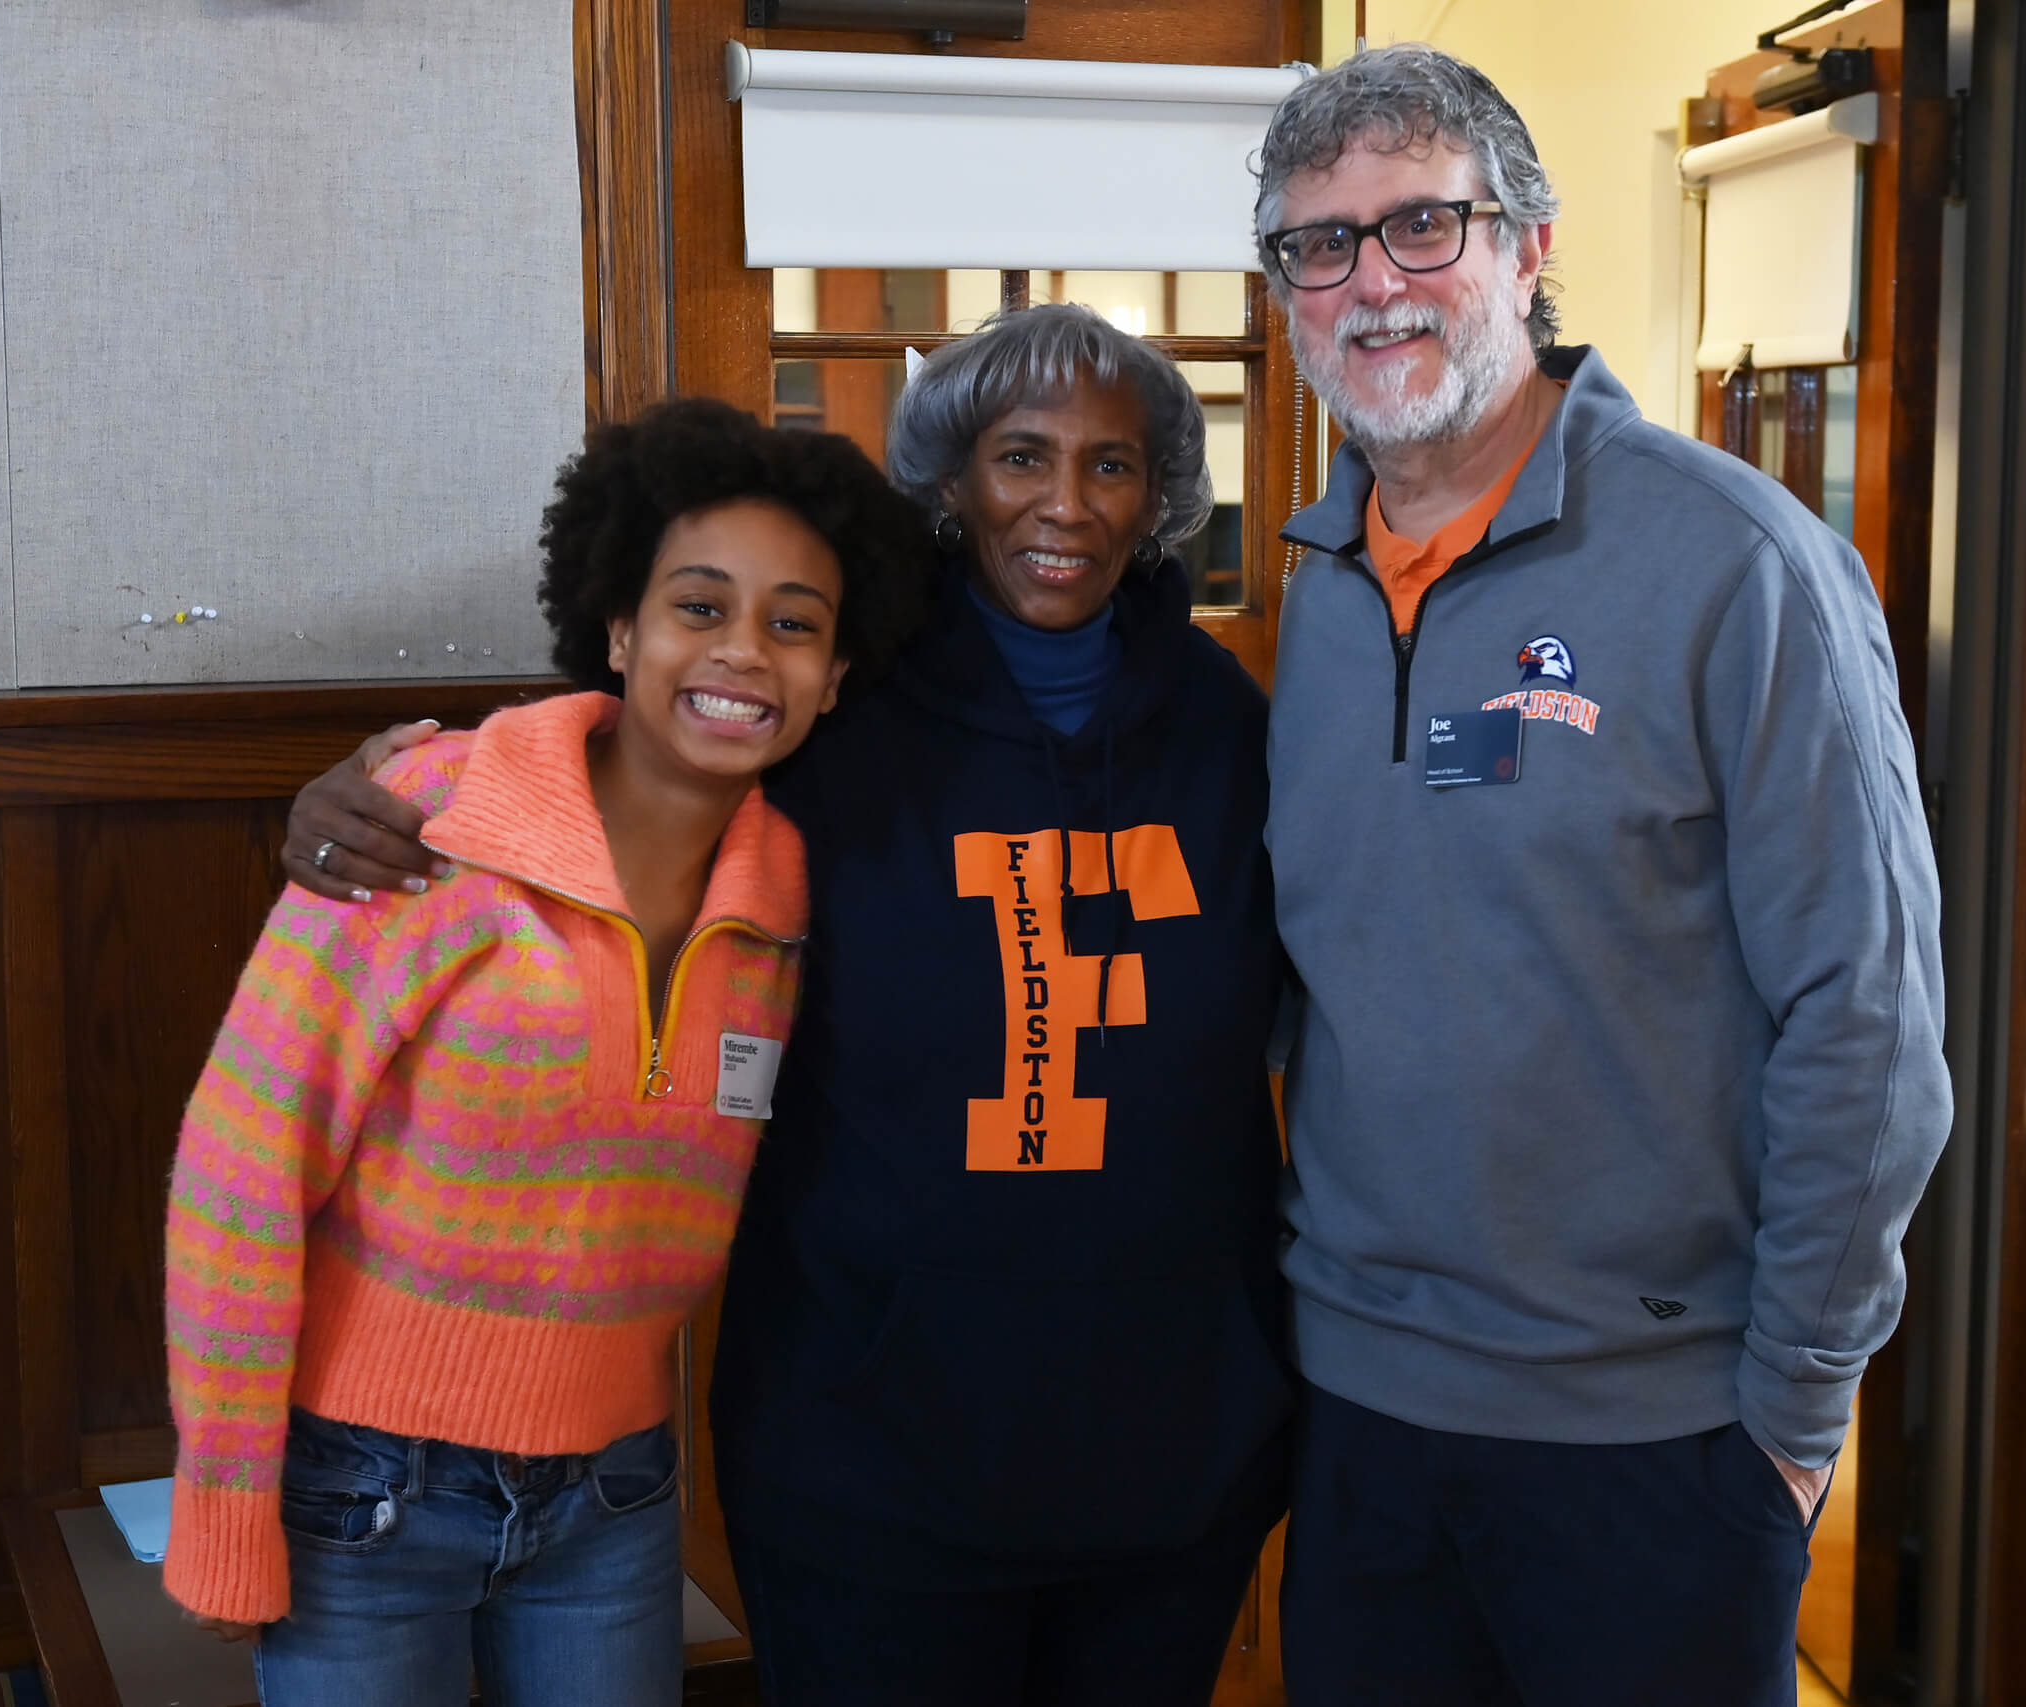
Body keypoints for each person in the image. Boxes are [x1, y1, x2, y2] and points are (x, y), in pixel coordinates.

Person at [281, 304, 1291, 1707]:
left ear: (1160, 495)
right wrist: (387, 789)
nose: (1065, 503)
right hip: (872, 1455)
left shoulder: (1230, 722)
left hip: (1174, 1451)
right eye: (1020, 457)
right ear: (950, 479)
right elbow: (618, 752)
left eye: (1113, 466)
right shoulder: (840, 708)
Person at [1251, 44, 1954, 1706]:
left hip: (1661, 1440)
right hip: (1359, 1424)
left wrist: (1794, 1412)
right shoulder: (1318, 588)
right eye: (1319, 244)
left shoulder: (1737, 563)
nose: (1373, 282)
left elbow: (1871, 1022)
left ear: (1527, 248)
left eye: (1424, 225)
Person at [160, 397, 932, 1707]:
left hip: (615, 1496)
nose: (744, 651)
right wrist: (223, 1508)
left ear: (836, 673)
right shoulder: (428, 821)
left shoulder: (803, 898)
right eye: (700, 606)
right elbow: (239, 1177)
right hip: (365, 1493)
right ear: (621, 627)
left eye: (794, 624)